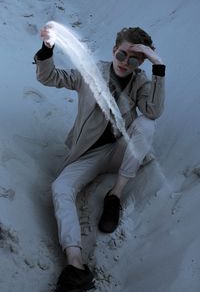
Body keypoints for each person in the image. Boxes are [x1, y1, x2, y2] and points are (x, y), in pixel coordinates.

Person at [34, 25, 165, 292]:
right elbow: (50, 78)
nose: (125, 63)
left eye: (133, 59)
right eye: (121, 55)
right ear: (114, 50)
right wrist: (47, 49)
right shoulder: (91, 70)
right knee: (60, 187)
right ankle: (75, 264)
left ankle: (114, 195)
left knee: (147, 124)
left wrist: (158, 66)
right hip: (88, 154)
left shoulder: (141, 82)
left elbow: (153, 110)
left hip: (121, 152)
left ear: (140, 62)